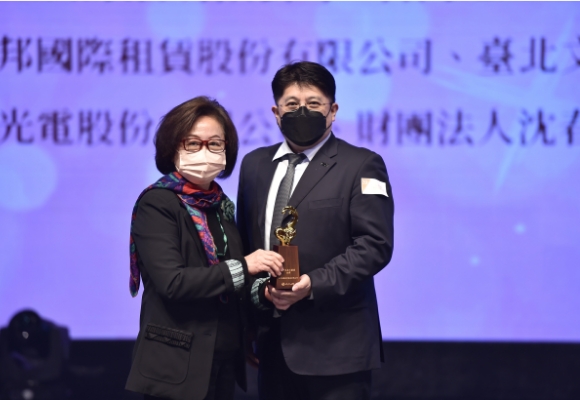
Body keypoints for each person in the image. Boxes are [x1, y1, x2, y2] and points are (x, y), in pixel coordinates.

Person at [236, 62, 394, 400]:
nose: (302, 112)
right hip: (270, 344)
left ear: (332, 111)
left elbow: (374, 245)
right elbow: (246, 245)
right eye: (292, 104)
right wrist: (246, 323)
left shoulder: (362, 165)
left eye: (313, 103)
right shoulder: (254, 165)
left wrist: (312, 284)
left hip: (337, 347)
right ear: (276, 113)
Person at [125, 96, 284, 400]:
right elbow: (173, 283)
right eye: (193, 143)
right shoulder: (158, 204)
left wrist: (259, 305)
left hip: (223, 358)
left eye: (215, 144)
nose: (205, 151)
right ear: (173, 148)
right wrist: (244, 266)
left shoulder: (221, 206)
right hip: (175, 366)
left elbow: (233, 284)